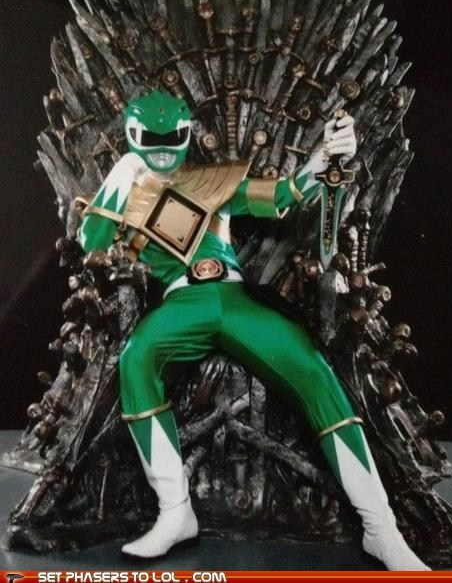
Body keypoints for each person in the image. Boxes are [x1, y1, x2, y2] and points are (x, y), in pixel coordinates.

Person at [79, 89, 429, 570]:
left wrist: (326, 157)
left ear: (186, 134)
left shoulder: (213, 181)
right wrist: (120, 178)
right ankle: (174, 511)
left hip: (235, 298)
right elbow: (93, 242)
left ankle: (381, 528)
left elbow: (286, 194)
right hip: (182, 301)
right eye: (149, 140)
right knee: (137, 359)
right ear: (132, 136)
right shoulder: (123, 195)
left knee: (313, 371)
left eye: (170, 138)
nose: (160, 149)